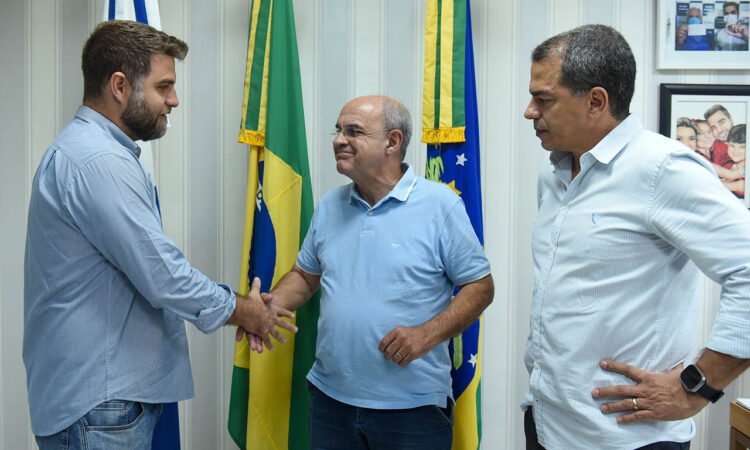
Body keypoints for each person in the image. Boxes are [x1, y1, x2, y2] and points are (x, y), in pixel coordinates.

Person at [23, 20, 296, 449]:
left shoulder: (90, 152)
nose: (174, 100)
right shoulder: (98, 162)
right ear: (119, 85)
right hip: (102, 406)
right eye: (163, 86)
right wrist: (244, 311)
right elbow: (162, 275)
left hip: (101, 402)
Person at [522, 24, 750, 450]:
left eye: (544, 98)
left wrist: (696, 387)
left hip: (626, 438)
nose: (530, 111)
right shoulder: (553, 173)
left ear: (596, 101)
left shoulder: (661, 170)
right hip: (550, 423)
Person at [252, 95, 494, 449]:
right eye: (338, 130)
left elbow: (479, 286)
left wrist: (427, 334)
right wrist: (267, 308)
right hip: (330, 400)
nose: (338, 139)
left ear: (392, 142)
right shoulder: (330, 205)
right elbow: (306, 276)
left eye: (354, 131)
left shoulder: (440, 205)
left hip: (412, 410)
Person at [722, 124, 747, 197]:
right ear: (727, 144)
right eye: (732, 145)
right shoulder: (727, 165)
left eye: (742, 147)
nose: (736, 151)